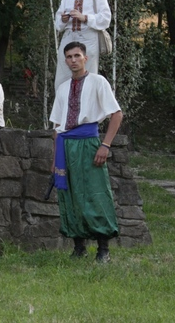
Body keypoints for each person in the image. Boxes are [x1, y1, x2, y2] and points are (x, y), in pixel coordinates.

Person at [49, 41, 123, 263]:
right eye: (69, 57)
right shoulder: (62, 88)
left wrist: (105, 145)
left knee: (95, 192)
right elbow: (56, 128)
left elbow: (117, 114)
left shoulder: (98, 82)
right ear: (65, 61)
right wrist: (55, 159)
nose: (73, 60)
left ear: (85, 58)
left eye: (77, 56)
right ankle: (78, 246)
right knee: (69, 193)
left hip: (89, 142)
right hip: (65, 145)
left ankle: (103, 249)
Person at [54, 0, 111, 89]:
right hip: (68, 36)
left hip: (88, 37)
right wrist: (63, 20)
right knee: (62, 79)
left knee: (88, 78)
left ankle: (86, 108)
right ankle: (64, 108)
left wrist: (84, 17)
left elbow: (106, 18)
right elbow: (58, 23)